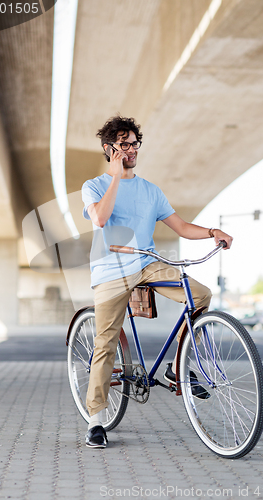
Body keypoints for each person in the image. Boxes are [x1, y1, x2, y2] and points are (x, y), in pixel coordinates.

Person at [82, 116, 233, 448]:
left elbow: (179, 226)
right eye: (124, 144)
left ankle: (177, 366)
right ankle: (95, 419)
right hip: (111, 269)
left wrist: (211, 233)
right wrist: (118, 179)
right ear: (109, 149)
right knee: (105, 344)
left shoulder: (151, 190)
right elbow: (101, 218)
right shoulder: (95, 186)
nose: (131, 150)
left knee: (200, 293)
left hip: (149, 263)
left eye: (135, 143)